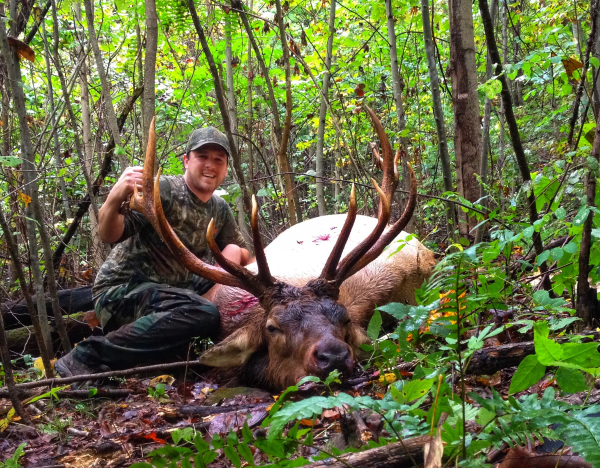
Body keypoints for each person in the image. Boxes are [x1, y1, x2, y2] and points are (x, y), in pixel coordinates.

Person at [55, 127, 250, 377]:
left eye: (218, 160)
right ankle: (86, 356)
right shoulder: (165, 190)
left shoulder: (219, 208)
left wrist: (234, 253)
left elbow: (244, 252)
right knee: (203, 313)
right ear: (187, 161)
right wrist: (115, 197)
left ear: (225, 169)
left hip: (176, 292)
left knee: (209, 306)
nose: (210, 165)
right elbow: (110, 234)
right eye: (202, 157)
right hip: (123, 290)